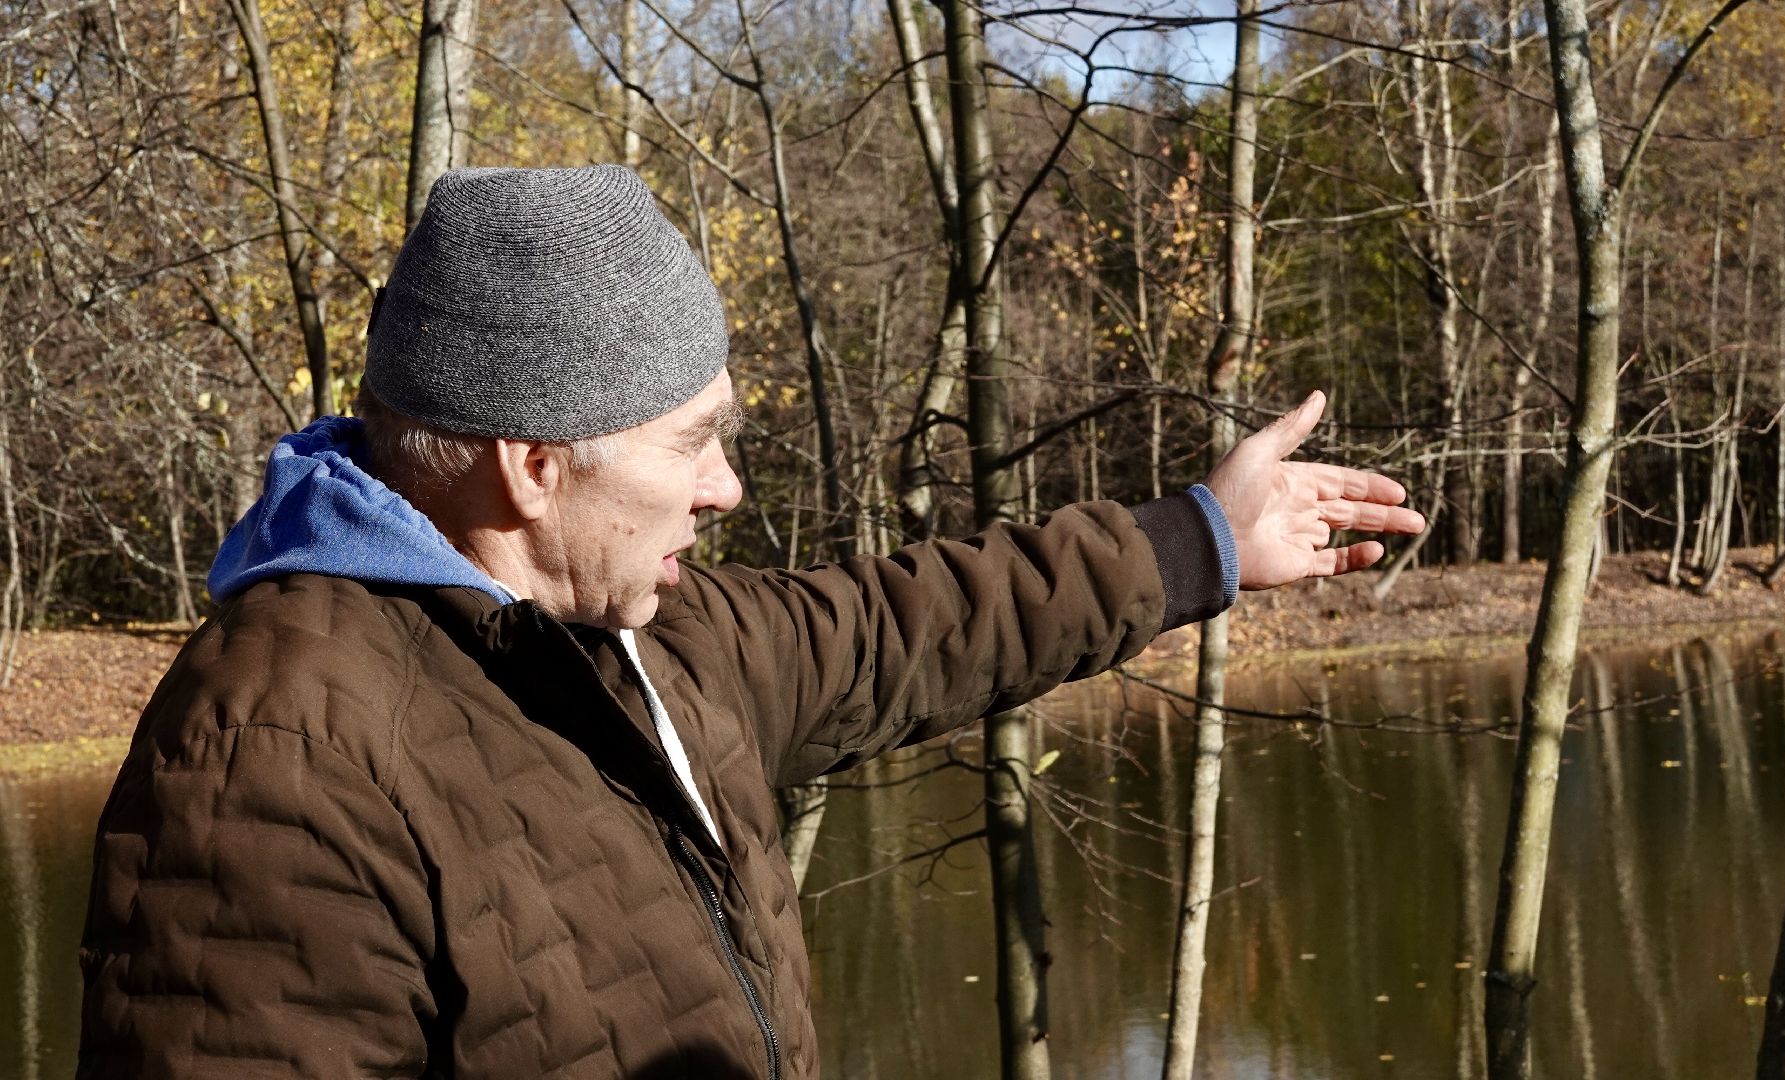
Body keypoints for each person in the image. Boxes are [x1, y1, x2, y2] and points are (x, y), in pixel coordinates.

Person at [77, 165, 1424, 1079]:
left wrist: (1201, 541)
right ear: (533, 462)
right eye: (690, 442)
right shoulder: (275, 760)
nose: (724, 487)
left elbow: (910, 627)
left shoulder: (640, 634)